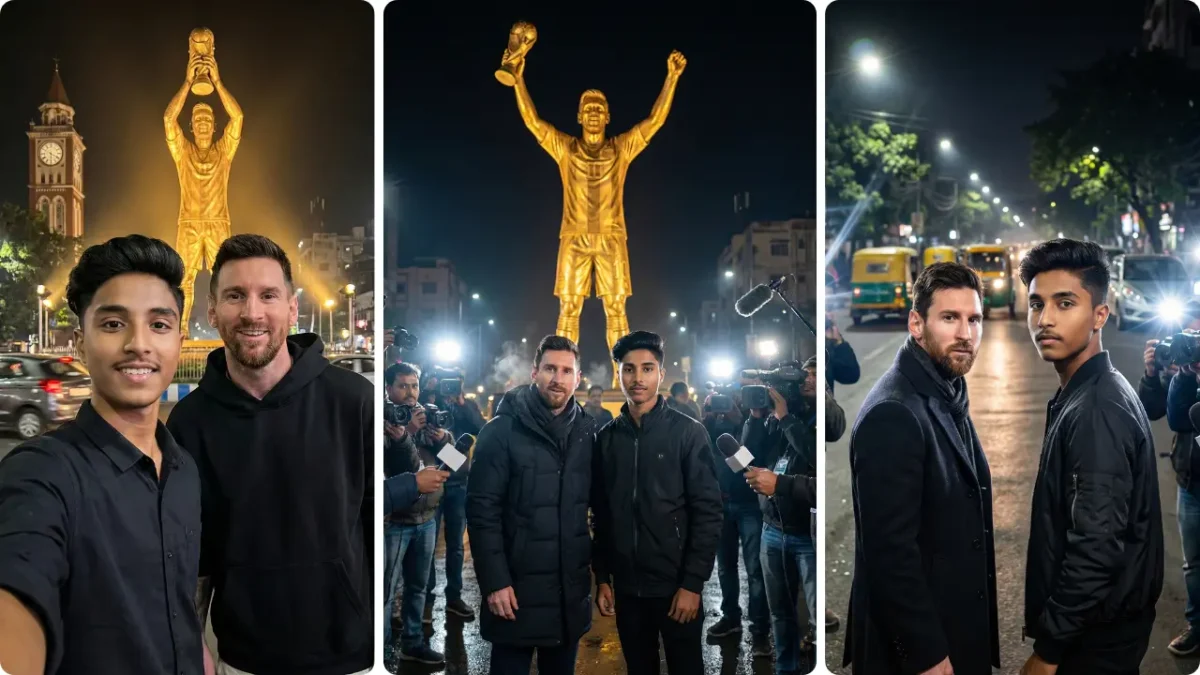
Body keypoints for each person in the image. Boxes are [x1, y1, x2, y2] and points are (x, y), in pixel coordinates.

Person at [166, 234, 373, 675]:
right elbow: (193, 556)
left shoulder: (353, 401)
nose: (252, 313)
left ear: (292, 308)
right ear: (212, 310)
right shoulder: (190, 422)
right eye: (235, 296)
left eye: (268, 295)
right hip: (244, 661)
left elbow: (377, 528)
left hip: (351, 657)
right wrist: (191, 649)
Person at [0, 235, 206, 675]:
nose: (139, 344)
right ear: (79, 341)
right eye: (113, 324)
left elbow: (179, 608)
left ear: (179, 340)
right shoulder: (43, 473)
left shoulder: (184, 472)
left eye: (159, 325)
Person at [844, 262, 999, 675]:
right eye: (950, 318)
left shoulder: (944, 387)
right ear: (916, 323)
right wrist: (926, 654)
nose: (965, 334)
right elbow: (889, 554)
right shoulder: (894, 412)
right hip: (923, 655)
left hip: (953, 631)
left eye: (974, 319)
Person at [1019, 239, 1163, 675]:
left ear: (1100, 315)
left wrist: (1049, 651)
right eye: (1036, 304)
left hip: (1095, 640)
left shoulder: (1097, 408)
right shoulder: (1091, 390)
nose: (1045, 319)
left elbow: (1096, 546)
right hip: (1104, 629)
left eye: (1065, 303)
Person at [592, 330, 723, 675]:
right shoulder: (606, 440)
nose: (638, 378)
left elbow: (708, 512)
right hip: (628, 590)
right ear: (617, 373)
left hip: (676, 588)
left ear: (661, 375)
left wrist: (692, 585)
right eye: (629, 369)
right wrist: (603, 577)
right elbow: (602, 516)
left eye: (647, 369)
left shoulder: (687, 432)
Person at [467, 336, 596, 675]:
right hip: (514, 594)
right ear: (534, 372)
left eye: (567, 370)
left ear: (578, 378)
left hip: (567, 596)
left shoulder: (586, 432)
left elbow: (598, 509)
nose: (558, 378)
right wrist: (495, 582)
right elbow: (483, 513)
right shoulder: (500, 432)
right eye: (550, 368)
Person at [746, 356, 841, 673]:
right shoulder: (780, 414)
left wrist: (787, 417)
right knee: (780, 613)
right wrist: (757, 417)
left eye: (815, 375)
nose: (807, 381)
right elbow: (747, 458)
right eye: (805, 375)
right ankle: (784, 668)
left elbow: (815, 454)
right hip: (771, 530)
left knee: (816, 616)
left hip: (805, 534)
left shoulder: (814, 415)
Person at [382, 362, 448, 665]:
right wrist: (406, 433)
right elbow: (400, 471)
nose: (410, 393)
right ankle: (379, 653)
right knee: (384, 592)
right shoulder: (385, 420)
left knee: (418, 587)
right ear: (389, 389)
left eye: (414, 385)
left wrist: (443, 440)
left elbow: (457, 466)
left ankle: (412, 643)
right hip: (395, 522)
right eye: (403, 386)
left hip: (427, 518)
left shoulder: (429, 415)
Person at [1148, 315, 1200, 656]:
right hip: (1191, 481)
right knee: (1194, 563)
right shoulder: (1188, 365)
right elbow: (1178, 418)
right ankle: (1198, 627)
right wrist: (1184, 374)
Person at [704, 387, 770, 654]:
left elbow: (749, 461)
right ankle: (730, 617)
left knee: (755, 570)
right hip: (721, 504)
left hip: (749, 504)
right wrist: (707, 416)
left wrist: (734, 418)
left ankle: (759, 630)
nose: (722, 406)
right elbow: (701, 454)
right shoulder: (708, 425)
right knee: (725, 567)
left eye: (727, 401)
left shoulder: (750, 422)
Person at [423, 377, 485, 624]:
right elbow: (425, 442)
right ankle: (426, 601)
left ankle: (454, 598)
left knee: (456, 546)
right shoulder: (429, 405)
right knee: (427, 546)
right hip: (433, 480)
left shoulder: (465, 406)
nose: (448, 387)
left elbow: (480, 428)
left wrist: (461, 402)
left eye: (454, 382)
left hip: (458, 482)